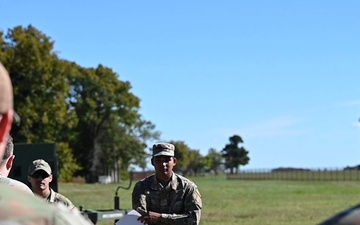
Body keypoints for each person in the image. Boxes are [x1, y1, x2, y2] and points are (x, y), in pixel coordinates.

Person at [0, 61, 93, 225]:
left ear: (51, 178)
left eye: (44, 175)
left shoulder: (61, 204)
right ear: (5, 125)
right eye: (36, 175)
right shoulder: (48, 217)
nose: (40, 179)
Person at [132, 142, 202, 225]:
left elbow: (193, 220)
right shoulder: (141, 187)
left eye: (167, 160)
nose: (163, 164)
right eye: (158, 160)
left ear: (174, 161)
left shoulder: (188, 187)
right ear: (152, 162)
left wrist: (161, 217)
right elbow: (141, 218)